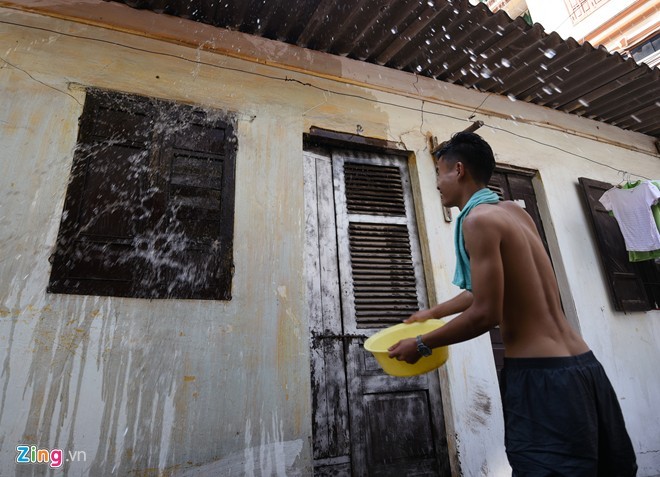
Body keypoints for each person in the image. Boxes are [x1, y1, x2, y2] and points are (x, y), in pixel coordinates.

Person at [388, 132, 637, 476]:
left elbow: (486, 313)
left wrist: (421, 344)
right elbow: (494, 289)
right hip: (584, 367)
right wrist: (433, 313)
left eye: (439, 174)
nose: (436, 185)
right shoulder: (514, 214)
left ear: (458, 170)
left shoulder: (477, 221)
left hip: (543, 378)